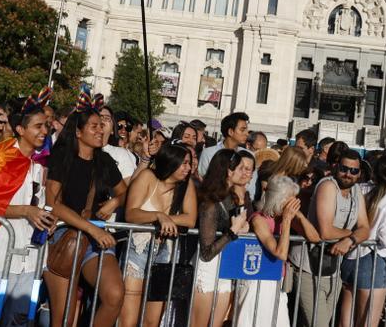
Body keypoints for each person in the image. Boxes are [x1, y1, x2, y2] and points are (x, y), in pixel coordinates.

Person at [0, 102, 54, 327]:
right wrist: (26, 211)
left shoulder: (43, 162)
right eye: (38, 126)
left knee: (18, 322)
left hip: (32, 255)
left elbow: (43, 202)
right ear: (21, 129)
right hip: (0, 251)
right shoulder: (5, 156)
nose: (44, 131)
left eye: (46, 126)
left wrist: (47, 217)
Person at [44, 105, 128, 327]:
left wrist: (114, 201)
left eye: (102, 125)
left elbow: (124, 191)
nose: (101, 130)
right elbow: (53, 203)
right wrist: (91, 228)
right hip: (63, 237)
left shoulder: (105, 161)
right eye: (94, 126)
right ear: (78, 132)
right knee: (64, 320)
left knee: (115, 294)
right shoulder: (62, 157)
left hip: (95, 241)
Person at [289, 148, 371, 327]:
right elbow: (326, 232)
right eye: (344, 168)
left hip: (333, 267)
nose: (348, 174)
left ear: (359, 173)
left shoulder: (356, 191)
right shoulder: (327, 186)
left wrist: (350, 240)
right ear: (336, 167)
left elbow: (366, 228)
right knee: (319, 323)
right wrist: (353, 235)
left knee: (318, 322)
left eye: (354, 171)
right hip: (308, 266)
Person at [119, 143, 197, 327]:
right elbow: (131, 214)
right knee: (128, 320)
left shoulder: (186, 185)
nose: (188, 168)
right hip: (138, 249)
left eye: (190, 163)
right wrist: (158, 216)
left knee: (152, 322)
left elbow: (190, 219)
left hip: (166, 252)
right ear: (171, 161)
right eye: (184, 163)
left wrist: (167, 218)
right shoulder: (148, 177)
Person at [237, 174, 320, 325]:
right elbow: (280, 253)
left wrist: (299, 215)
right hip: (258, 281)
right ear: (279, 199)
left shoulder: (282, 218)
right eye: (291, 200)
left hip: (276, 280)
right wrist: (288, 220)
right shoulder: (259, 219)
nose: (294, 203)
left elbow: (315, 237)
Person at [339, 153, 386, 327]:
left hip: (350, 256)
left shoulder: (358, 189)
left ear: (373, 171)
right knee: (368, 322)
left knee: (345, 320)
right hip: (373, 260)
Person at [192, 148, 253, 327]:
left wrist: (243, 226)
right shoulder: (209, 203)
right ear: (228, 171)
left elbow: (240, 224)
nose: (245, 173)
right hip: (207, 269)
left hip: (226, 269)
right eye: (241, 168)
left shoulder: (233, 197)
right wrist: (232, 232)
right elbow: (206, 252)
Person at [198, 111, 250, 178]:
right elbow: (201, 179)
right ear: (230, 132)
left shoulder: (248, 155)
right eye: (242, 130)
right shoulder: (209, 153)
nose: (247, 134)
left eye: (246, 130)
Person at [94, 105, 138, 180]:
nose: (123, 130)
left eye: (107, 118)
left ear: (112, 130)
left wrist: (145, 160)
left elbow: (128, 188)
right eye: (119, 126)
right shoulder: (80, 150)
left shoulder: (123, 154)